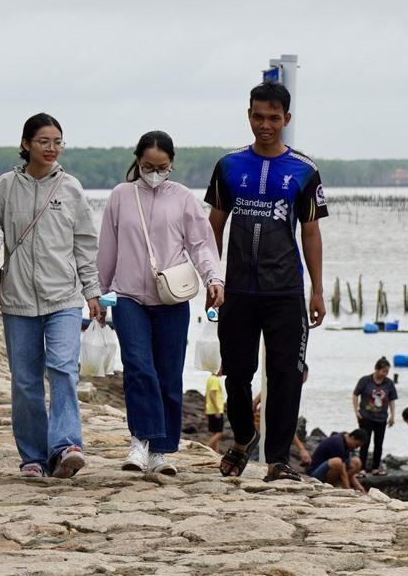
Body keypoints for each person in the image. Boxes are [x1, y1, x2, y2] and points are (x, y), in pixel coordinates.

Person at [204, 81, 327, 481]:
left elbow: (310, 231)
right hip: (238, 289)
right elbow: (214, 227)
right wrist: (212, 277)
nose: (265, 124)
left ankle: (278, 459)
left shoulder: (304, 171)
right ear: (249, 116)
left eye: (274, 118)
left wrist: (317, 289)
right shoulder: (229, 166)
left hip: (285, 290)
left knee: (286, 373)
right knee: (236, 373)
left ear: (286, 119)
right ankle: (242, 438)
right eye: (258, 116)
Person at [0, 113, 100, 479]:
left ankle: (65, 447)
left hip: (63, 296)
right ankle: (32, 456)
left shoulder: (72, 189)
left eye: (58, 141)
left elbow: (85, 245)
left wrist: (92, 291)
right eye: (44, 141)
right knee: (25, 381)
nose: (51, 148)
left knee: (63, 369)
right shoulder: (4, 186)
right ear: (27, 143)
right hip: (17, 299)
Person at [98, 131, 225, 477]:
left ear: (172, 164)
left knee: (169, 374)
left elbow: (201, 244)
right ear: (137, 161)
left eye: (162, 167)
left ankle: (162, 450)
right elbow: (107, 249)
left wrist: (214, 279)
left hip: (172, 298)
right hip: (128, 297)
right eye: (148, 166)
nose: (154, 172)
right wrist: (98, 293)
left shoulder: (183, 198)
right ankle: (140, 441)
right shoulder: (121, 196)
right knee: (139, 368)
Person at [353, 358, 398, 472]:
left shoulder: (389, 383)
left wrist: (392, 415)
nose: (385, 374)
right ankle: (361, 468)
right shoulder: (365, 380)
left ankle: (375, 467)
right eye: (383, 371)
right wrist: (356, 411)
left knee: (379, 443)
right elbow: (355, 394)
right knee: (364, 442)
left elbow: (392, 400)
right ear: (376, 369)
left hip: (381, 418)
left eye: (387, 372)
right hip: (365, 417)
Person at [307, 425, 367, 491]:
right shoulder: (337, 443)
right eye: (357, 445)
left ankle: (338, 484)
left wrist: (358, 486)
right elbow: (342, 470)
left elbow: (345, 469)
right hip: (315, 472)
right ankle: (329, 486)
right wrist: (348, 490)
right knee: (337, 462)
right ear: (352, 437)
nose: (356, 448)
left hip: (328, 471)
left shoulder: (346, 442)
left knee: (356, 462)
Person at [202, 368, 226, 446]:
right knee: (219, 433)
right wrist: (217, 410)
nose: (223, 370)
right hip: (216, 410)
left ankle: (216, 452)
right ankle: (207, 447)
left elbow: (206, 395)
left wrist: (205, 409)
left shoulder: (210, 379)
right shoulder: (215, 380)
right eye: (221, 369)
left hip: (210, 410)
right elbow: (211, 395)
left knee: (215, 432)